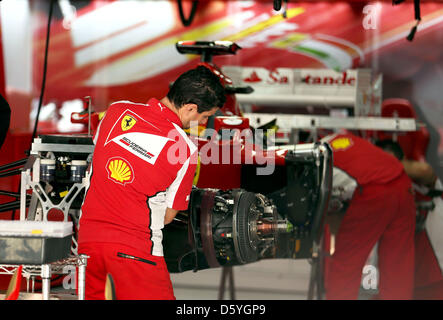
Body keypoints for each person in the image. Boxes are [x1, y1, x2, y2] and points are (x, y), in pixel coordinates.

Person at [77, 66, 226, 300]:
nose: (204, 122)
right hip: (136, 252)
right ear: (190, 108)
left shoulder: (116, 111)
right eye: (205, 116)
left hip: (87, 245)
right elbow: (168, 216)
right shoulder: (185, 150)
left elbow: (99, 159)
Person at [322, 131, 416, 300]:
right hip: (402, 182)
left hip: (373, 190)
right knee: (398, 265)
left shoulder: (312, 163)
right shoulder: (341, 138)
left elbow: (327, 218)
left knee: (346, 263)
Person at [375, 139, 443, 300]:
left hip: (432, 274)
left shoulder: (423, 182)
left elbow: (426, 171)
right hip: (394, 277)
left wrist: (383, 164)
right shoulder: (375, 189)